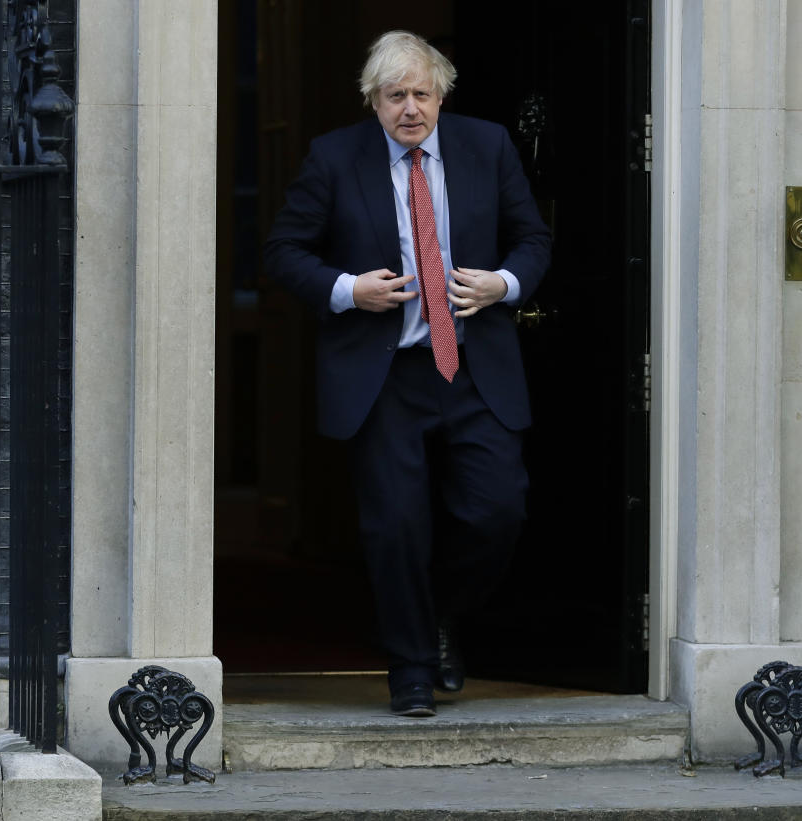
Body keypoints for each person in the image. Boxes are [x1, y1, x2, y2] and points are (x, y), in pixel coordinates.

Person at [263, 30, 551, 717]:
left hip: (471, 367)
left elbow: (533, 238)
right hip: (385, 369)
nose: (411, 109)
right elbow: (283, 250)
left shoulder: (488, 146)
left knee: (497, 509)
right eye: (396, 96)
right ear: (373, 101)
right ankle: (412, 670)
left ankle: (438, 615)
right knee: (394, 525)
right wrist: (345, 288)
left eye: (422, 93)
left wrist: (503, 284)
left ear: (442, 94)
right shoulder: (334, 158)